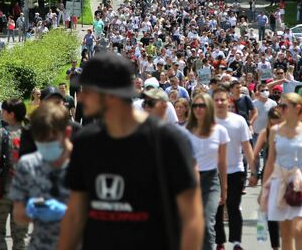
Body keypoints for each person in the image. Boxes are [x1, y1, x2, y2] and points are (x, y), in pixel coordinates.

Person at [57, 52, 203, 250]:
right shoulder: (85, 142)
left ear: (108, 94)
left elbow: (192, 217)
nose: (80, 97)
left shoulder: (168, 141)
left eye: (87, 90)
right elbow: (74, 214)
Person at [8, 102, 72, 250]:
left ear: (67, 133)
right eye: (40, 140)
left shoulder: (83, 164)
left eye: (50, 140)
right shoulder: (28, 164)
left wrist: (67, 212)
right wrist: (31, 212)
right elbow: (18, 214)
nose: (45, 145)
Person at [261, 93, 302, 250]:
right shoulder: (275, 130)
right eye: (280, 106)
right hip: (280, 182)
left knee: (298, 229)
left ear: (297, 108)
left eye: (284, 106)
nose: (281, 109)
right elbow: (270, 161)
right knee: (286, 235)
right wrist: (263, 189)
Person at [213, 87, 255, 250]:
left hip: (236, 170)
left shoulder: (239, 121)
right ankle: (219, 242)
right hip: (214, 173)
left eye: (222, 99)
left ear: (228, 100)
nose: (219, 102)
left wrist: (253, 171)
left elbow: (247, 147)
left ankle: (236, 241)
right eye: (216, 100)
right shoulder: (208, 121)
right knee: (217, 209)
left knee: (233, 206)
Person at [186, 93, 229, 250]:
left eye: (202, 106)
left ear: (209, 108)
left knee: (207, 222)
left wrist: (224, 189)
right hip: (191, 181)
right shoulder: (186, 131)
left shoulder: (220, 131)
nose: (198, 109)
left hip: (211, 181)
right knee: (191, 224)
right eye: (195, 106)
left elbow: (222, 162)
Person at [0, 99, 28, 250]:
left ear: (11, 114)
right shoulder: (29, 134)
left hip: (4, 191)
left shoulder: (2, 134)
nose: (2, 113)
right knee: (20, 235)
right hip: (24, 192)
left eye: (4, 110)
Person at [251, 107, 284, 250]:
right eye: (273, 122)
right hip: (270, 174)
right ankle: (275, 246)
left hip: (287, 174)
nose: (276, 125)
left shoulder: (289, 133)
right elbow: (254, 154)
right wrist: (254, 174)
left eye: (279, 122)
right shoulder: (266, 133)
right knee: (271, 211)